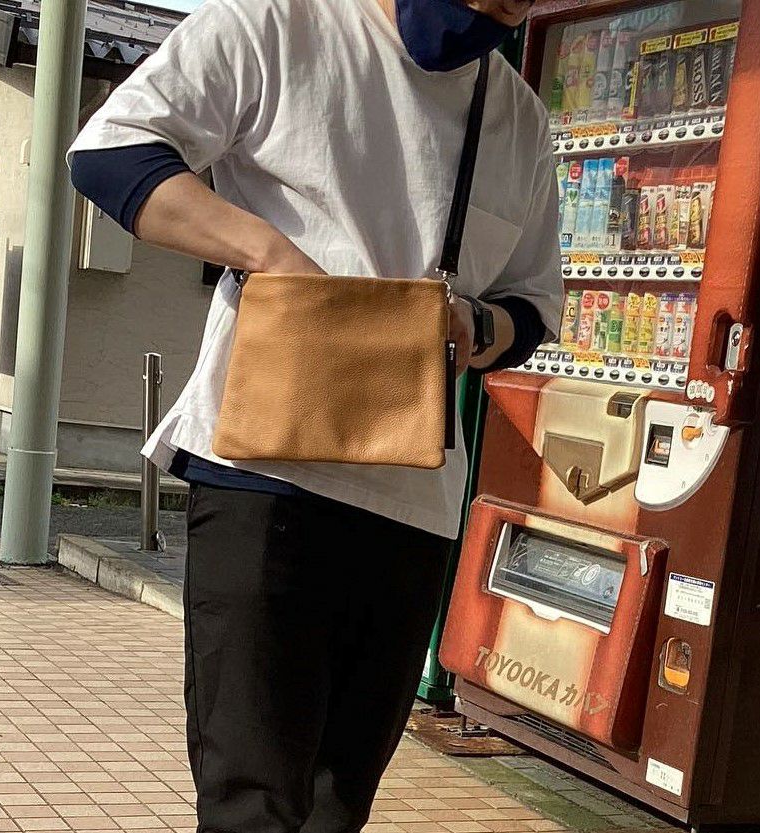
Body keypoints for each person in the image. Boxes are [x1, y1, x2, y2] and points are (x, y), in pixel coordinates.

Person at [68, 0, 561, 830]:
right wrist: (270, 255)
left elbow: (533, 303)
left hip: (415, 496)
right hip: (263, 472)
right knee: (252, 800)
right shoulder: (277, 23)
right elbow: (111, 153)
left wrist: (473, 324)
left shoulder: (516, 114)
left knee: (340, 803)